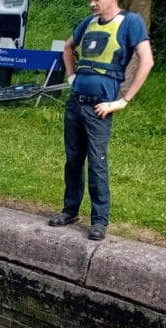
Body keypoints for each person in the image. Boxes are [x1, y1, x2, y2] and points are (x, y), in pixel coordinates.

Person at [48, 0, 153, 241]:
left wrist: (123, 100)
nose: (91, 3)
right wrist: (72, 76)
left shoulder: (131, 22)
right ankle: (70, 210)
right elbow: (68, 47)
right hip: (75, 103)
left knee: (97, 163)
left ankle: (99, 220)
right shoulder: (88, 23)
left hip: (99, 108)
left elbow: (146, 61)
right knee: (73, 159)